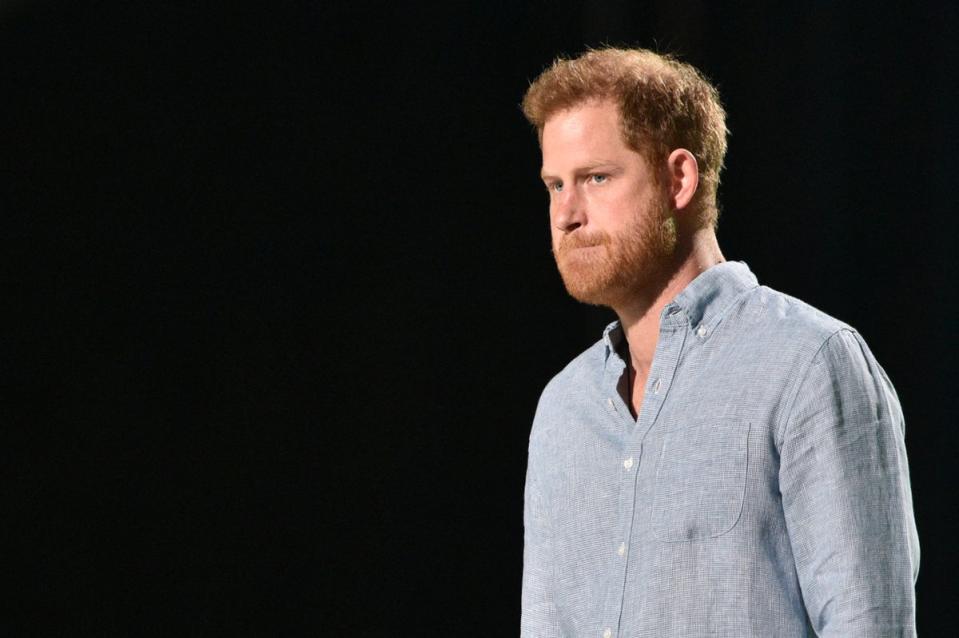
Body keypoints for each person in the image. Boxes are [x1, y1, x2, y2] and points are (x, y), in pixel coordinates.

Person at [520, 47, 919, 637]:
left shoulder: (807, 366)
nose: (565, 214)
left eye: (595, 178)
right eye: (554, 185)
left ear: (678, 178)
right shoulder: (563, 409)